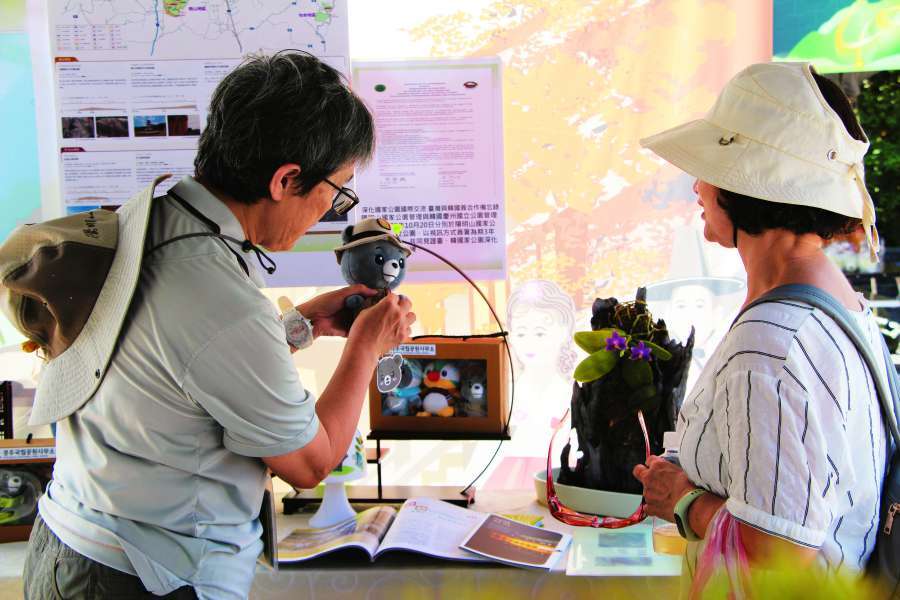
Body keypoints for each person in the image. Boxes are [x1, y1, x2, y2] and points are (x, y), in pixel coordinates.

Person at [17, 52, 415, 599]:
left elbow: (174, 369)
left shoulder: (155, 224)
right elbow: (309, 462)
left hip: (74, 543)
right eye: (338, 190)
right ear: (287, 179)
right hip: (141, 576)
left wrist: (301, 326)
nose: (332, 208)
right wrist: (366, 348)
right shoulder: (217, 295)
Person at [632, 62, 888, 588]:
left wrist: (680, 497)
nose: (697, 187)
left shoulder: (770, 346)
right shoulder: (840, 305)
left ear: (746, 185)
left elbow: (780, 547)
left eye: (709, 169)